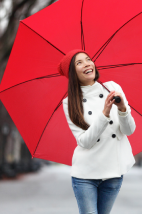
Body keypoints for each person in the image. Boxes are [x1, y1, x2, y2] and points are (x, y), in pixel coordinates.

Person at [58, 49, 136, 214]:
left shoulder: (112, 88)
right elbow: (85, 141)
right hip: (85, 174)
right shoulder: (69, 103)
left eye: (88, 59)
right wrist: (105, 113)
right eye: (79, 63)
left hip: (113, 171)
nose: (87, 63)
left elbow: (129, 130)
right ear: (73, 73)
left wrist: (122, 109)